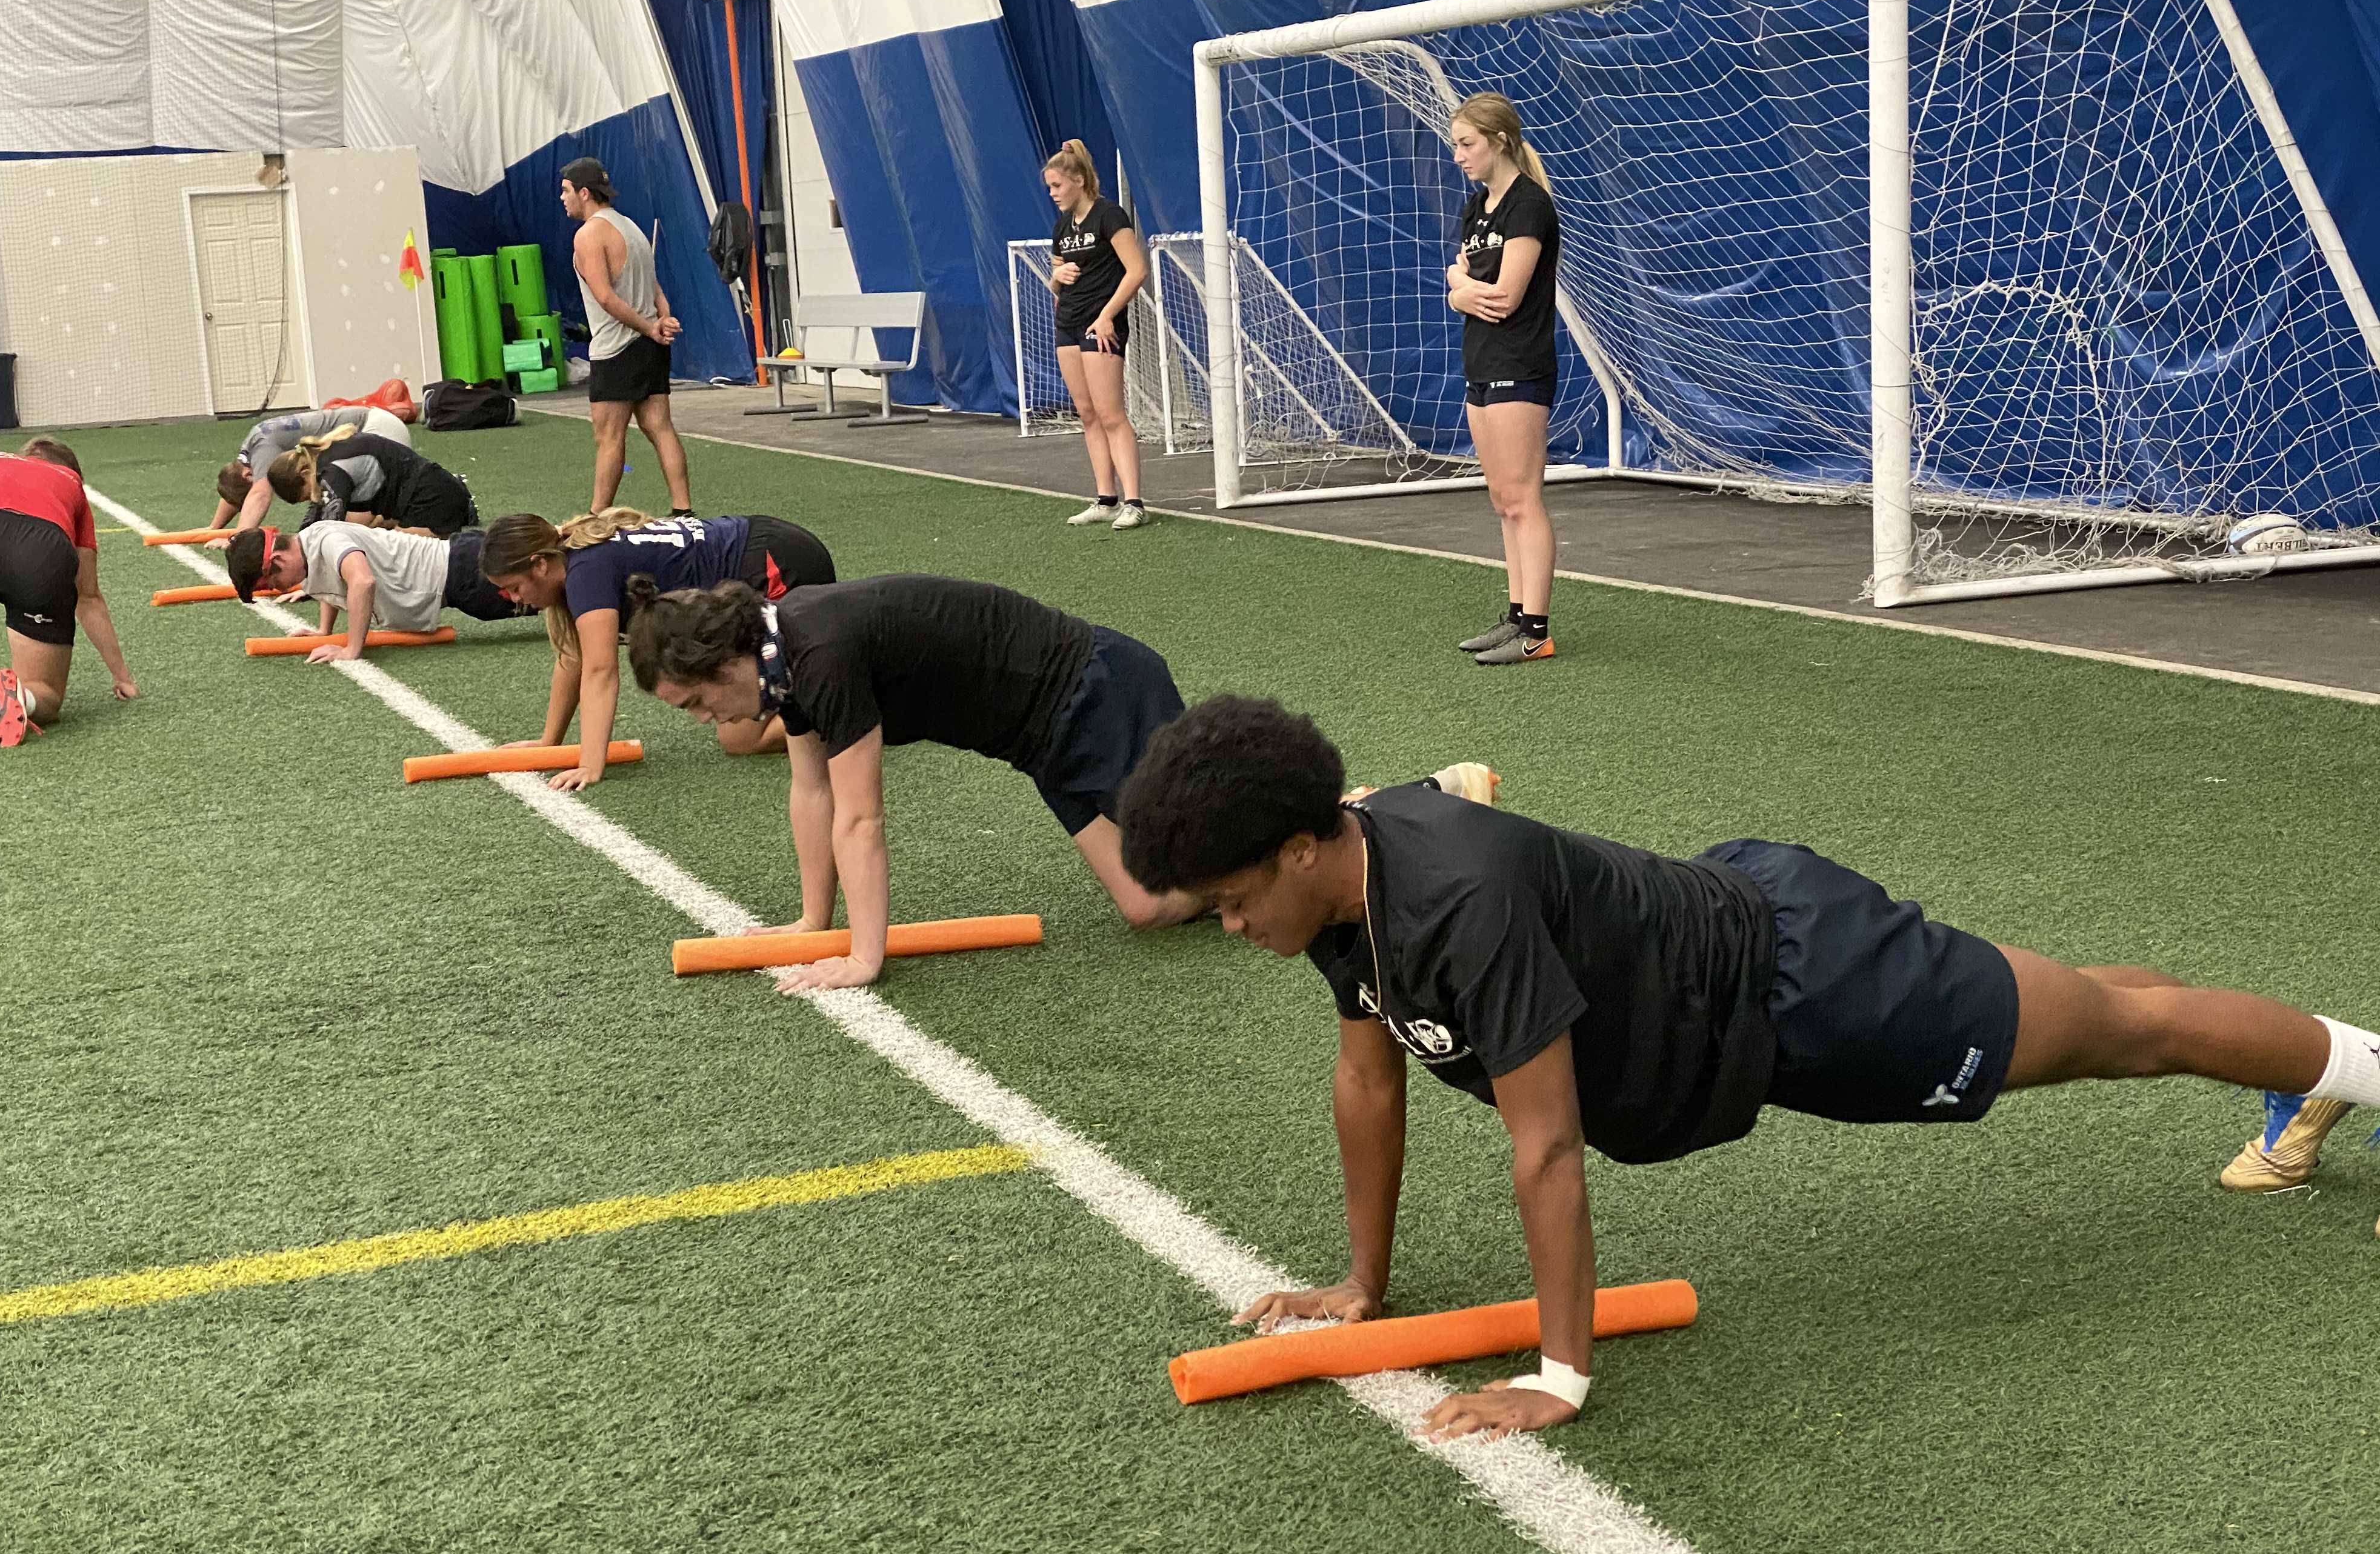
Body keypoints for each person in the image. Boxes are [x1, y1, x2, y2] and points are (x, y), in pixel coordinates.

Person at [1115, 695, 2380, 1439]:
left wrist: (1560, 1376)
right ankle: (2294, 1067)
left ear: (1296, 851)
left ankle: (2357, 1066)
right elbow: (1370, 1079)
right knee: (2099, 1018)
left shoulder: (1459, 903)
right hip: (1739, 972)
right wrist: (1357, 1288)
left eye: (1230, 903)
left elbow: (1545, 1144)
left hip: (1809, 988)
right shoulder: (1348, 904)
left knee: (2128, 1039)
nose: (1231, 931)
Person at [626, 573, 1204, 991]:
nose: (705, 719)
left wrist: (864, 958)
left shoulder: (822, 653)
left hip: (1098, 694)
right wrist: (811, 921)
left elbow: (861, 820)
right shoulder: (784, 665)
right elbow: (812, 791)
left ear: (727, 663)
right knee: (1148, 909)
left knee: (1228, 845)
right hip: (1041, 746)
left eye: (697, 701)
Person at [481, 509, 833, 789]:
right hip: (767, 543)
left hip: (777, 562)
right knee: (740, 723)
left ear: (540, 564)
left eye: (513, 588)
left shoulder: (585, 572)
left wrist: (590, 763)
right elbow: (574, 660)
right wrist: (549, 742)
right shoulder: (575, 563)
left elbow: (601, 672)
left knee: (741, 738)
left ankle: (842, 707)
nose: (516, 601)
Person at [1445, 93, 1562, 669]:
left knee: (1522, 498)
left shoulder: (1528, 206)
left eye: (1467, 144)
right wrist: (1460, 288)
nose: (1459, 155)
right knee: (1501, 500)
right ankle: (1516, 617)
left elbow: (1504, 297)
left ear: (1500, 141)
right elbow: (1466, 284)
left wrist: (1459, 290)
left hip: (1520, 364)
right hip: (1482, 364)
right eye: (1456, 145)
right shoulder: (1476, 209)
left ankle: (1537, 631)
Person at [0, 438, 136, 745]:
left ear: (22, 457)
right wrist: (121, 676)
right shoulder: (71, 485)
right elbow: (88, 596)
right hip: (42, 556)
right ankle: (23, 697)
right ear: (70, 471)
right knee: (48, 694)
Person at [561, 155, 690, 516]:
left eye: (567, 191)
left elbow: (605, 297)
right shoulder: (631, 228)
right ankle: (683, 511)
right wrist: (662, 322)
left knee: (609, 437)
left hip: (618, 348)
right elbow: (656, 289)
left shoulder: (588, 235)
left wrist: (652, 326)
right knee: (660, 428)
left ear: (584, 193)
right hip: (649, 347)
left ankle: (596, 516)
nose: (563, 198)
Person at [224, 521, 534, 664]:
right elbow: (332, 583)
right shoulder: (310, 545)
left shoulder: (327, 540)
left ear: (277, 561)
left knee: (555, 588)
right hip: (457, 574)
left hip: (465, 573)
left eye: (269, 584)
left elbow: (362, 582)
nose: (278, 589)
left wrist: (351, 650)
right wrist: (323, 631)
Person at [1042, 140, 1150, 532]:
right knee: (1087, 414)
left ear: (1079, 180)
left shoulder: (1109, 215)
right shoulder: (1062, 227)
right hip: (1068, 324)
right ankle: (1106, 499)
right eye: (1050, 188)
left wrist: (1107, 317)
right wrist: (1056, 278)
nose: (1053, 194)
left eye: (1057, 185)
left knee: (1110, 414)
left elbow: (1136, 270)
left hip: (1100, 324)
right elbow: (1058, 281)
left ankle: (1134, 502)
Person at [209, 404, 413, 532]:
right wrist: (213, 529)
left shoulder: (263, 449)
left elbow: (259, 494)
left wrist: (240, 537)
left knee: (356, 520)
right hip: (373, 423)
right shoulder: (247, 454)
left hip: (378, 428)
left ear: (248, 475)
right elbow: (237, 491)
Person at [267, 432, 475, 535]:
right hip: (436, 489)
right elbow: (318, 519)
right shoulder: (326, 457)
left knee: (388, 549)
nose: (315, 498)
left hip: (433, 500)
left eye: (308, 495)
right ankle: (462, 511)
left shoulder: (332, 472)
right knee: (374, 532)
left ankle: (458, 518)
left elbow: (330, 533)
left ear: (305, 473)